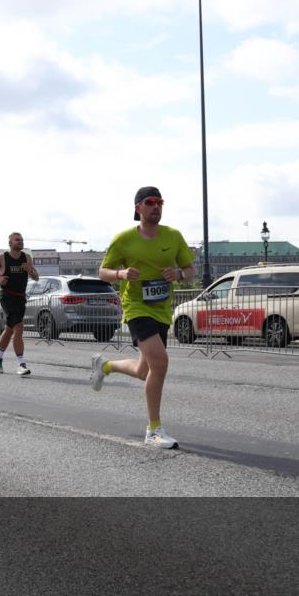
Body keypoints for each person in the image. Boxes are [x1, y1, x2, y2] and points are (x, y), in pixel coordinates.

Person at [89, 186, 195, 449]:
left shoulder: (173, 236)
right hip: (136, 306)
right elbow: (102, 271)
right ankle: (154, 430)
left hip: (161, 308)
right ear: (138, 208)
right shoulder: (124, 239)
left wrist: (178, 276)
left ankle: (105, 366)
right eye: (150, 202)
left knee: (143, 369)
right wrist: (121, 274)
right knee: (160, 362)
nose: (156, 207)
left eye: (160, 202)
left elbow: (190, 270)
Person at [0, 232, 39, 376]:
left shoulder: (26, 258)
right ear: (10, 243)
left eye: (22, 240)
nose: (20, 242)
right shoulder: (2, 257)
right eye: (17, 240)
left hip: (21, 298)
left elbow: (36, 277)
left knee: (10, 329)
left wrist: (30, 270)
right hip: (7, 297)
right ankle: (21, 364)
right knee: (19, 327)